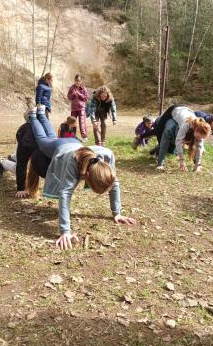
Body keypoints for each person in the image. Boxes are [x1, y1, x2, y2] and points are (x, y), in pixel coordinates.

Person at [26, 104, 135, 250]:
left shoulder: (107, 155)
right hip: (60, 148)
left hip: (75, 142)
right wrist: (65, 231)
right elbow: (64, 194)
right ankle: (33, 115)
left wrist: (117, 213)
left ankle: (40, 112)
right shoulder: (73, 163)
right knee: (42, 139)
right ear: (87, 177)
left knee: (50, 136)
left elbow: (114, 184)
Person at [0, 119, 51, 198]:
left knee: (22, 161)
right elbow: (21, 165)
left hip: (34, 140)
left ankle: (14, 157)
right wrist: (21, 188)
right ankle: (1, 162)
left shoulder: (49, 150)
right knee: (17, 167)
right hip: (23, 135)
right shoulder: (26, 144)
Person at [156, 106, 211, 172]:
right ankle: (159, 159)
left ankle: (195, 162)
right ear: (195, 130)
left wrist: (198, 165)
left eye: (201, 137)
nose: (200, 139)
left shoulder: (201, 126)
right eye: (199, 137)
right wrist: (182, 161)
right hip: (175, 110)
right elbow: (179, 141)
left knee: (191, 141)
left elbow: (199, 146)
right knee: (161, 131)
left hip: (188, 110)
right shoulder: (186, 124)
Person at [67, 74, 89, 142]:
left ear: (81, 81)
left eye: (79, 81)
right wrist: (73, 94)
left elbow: (86, 98)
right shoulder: (71, 88)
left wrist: (79, 94)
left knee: (82, 123)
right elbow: (69, 97)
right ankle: (73, 136)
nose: (78, 82)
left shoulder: (83, 88)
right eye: (76, 80)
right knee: (72, 122)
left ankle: (84, 137)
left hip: (81, 108)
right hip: (74, 108)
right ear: (74, 80)